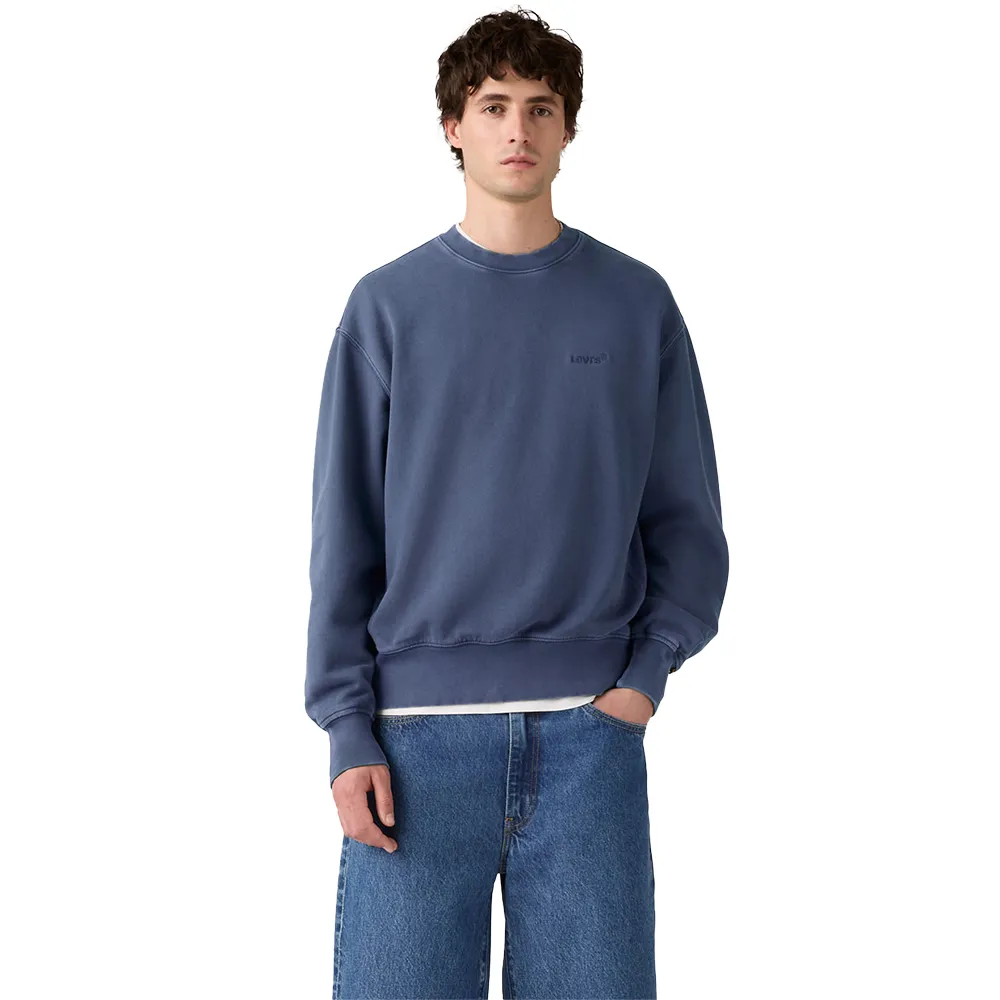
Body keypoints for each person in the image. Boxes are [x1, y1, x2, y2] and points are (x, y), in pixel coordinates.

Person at [305, 9, 729, 998]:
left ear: (569, 128)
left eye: (541, 108)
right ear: (452, 125)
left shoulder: (636, 303)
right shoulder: (386, 308)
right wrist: (347, 728)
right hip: (411, 747)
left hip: (591, 739)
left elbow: (687, 520)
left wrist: (641, 680)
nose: (517, 130)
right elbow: (344, 536)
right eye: (493, 105)